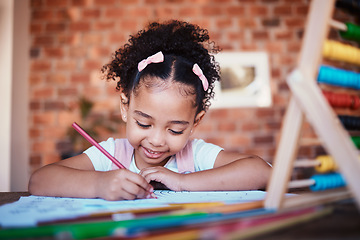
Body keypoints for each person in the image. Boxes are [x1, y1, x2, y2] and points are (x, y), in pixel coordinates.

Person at [29, 20, 271, 201]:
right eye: (144, 124)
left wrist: (182, 182)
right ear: (125, 107)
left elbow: (261, 172)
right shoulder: (112, 153)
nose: (156, 140)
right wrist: (100, 184)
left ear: (196, 122)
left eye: (175, 130)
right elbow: (39, 181)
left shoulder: (194, 155)